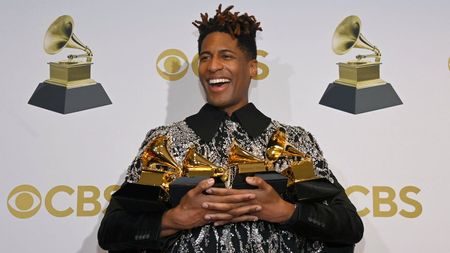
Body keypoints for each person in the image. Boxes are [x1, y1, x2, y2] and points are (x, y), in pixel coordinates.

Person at [98, 5, 363, 253]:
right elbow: (112, 231)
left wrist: (284, 211)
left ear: (252, 67)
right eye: (205, 57)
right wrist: (174, 219)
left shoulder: (292, 141)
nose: (213, 66)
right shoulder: (164, 142)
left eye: (226, 56)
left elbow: (348, 226)